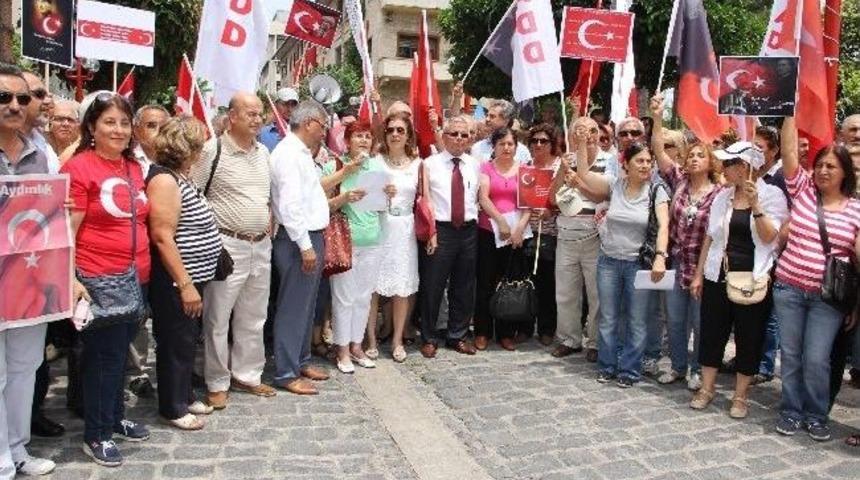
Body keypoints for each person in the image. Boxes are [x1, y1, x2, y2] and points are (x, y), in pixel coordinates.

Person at [62, 91, 152, 466]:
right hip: (99, 277)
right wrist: (70, 278)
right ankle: (96, 433)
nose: (118, 129)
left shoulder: (132, 167)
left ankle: (113, 418)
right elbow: (68, 229)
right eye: (109, 122)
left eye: (124, 122)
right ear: (92, 127)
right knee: (103, 359)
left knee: (120, 356)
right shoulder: (80, 167)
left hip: (136, 277)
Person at [773, 118, 860, 441]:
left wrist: (855, 304)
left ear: (844, 173)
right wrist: (789, 113)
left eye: (831, 167)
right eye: (820, 164)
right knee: (792, 355)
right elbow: (790, 153)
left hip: (828, 299)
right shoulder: (803, 191)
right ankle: (791, 411)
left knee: (817, 358)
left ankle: (816, 414)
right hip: (789, 288)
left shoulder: (856, 210)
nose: (823, 171)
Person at [688, 141, 788, 419]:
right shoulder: (722, 197)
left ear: (744, 168)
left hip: (752, 278)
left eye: (729, 164)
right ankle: (707, 388)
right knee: (711, 333)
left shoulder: (772, 196)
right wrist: (698, 274)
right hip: (717, 275)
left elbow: (771, 237)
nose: (724, 168)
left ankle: (741, 395)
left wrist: (756, 205)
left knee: (749, 336)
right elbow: (710, 237)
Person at [190, 92, 275, 408]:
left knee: (254, 316)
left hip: (260, 245)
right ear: (232, 116)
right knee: (218, 317)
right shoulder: (212, 151)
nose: (256, 119)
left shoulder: (263, 153)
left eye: (259, 114)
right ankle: (216, 380)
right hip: (226, 246)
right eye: (250, 113)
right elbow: (194, 194)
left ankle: (248, 374)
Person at [576, 133, 670, 387]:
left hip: (637, 265)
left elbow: (663, 227)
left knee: (637, 320)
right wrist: (583, 143)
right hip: (608, 261)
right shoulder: (614, 184)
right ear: (625, 164)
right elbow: (583, 174)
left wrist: (660, 257)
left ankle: (629, 370)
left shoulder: (657, 191)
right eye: (639, 160)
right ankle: (607, 366)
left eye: (648, 161)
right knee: (608, 317)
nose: (645, 165)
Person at [147, 116, 223, 430]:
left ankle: (184, 392)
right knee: (175, 341)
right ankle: (173, 406)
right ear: (186, 147)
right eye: (199, 143)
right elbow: (163, 235)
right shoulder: (165, 180)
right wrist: (185, 284)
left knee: (186, 339)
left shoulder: (179, 175)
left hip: (193, 275)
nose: (204, 149)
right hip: (177, 279)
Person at [0, 62, 57, 477]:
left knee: (24, 369)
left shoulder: (41, 154)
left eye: (22, 98)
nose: (15, 106)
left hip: (29, 281)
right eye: (4, 98)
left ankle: (18, 451)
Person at [650, 95, 722, 391]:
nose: (693, 159)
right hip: (678, 262)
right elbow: (658, 150)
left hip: (703, 267)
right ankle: (678, 367)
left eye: (699, 156)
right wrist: (657, 118)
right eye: (690, 155)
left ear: (709, 162)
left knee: (700, 323)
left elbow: (715, 233)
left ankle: (696, 369)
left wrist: (700, 272)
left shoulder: (719, 192)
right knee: (676, 320)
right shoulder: (678, 180)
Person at [270, 101, 332, 394]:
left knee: (306, 306)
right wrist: (306, 246)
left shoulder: (301, 153)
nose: (325, 132)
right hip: (298, 240)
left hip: (309, 236)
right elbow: (290, 205)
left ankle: (300, 359)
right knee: (293, 307)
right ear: (309, 123)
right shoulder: (289, 154)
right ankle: (285, 371)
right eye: (323, 125)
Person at [323, 120, 392, 373]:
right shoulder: (336, 166)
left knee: (363, 297)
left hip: (372, 239)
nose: (363, 140)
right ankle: (341, 350)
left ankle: (356, 345)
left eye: (367, 137)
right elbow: (321, 202)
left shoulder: (377, 167)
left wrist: (389, 194)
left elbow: (383, 205)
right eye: (358, 136)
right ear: (347, 140)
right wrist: (344, 197)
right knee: (344, 298)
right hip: (345, 240)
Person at [419, 115, 481, 358]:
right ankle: (429, 336)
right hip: (441, 229)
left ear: (469, 139)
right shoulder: (430, 164)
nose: (458, 138)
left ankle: (458, 335)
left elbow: (476, 197)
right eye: (453, 134)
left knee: (464, 285)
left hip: (467, 230)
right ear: (444, 136)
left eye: (464, 135)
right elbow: (426, 200)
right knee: (433, 285)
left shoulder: (474, 164)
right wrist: (432, 231)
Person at [551, 117, 611, 361]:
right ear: (573, 135)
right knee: (565, 292)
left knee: (596, 294)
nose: (586, 135)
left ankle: (595, 342)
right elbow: (554, 198)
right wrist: (562, 170)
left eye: (592, 131)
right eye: (580, 130)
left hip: (594, 236)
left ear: (598, 134)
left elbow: (603, 195)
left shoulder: (609, 161)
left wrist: (580, 184)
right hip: (566, 235)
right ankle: (569, 339)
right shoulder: (567, 160)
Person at [126, 104, 170, 400]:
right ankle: (136, 371)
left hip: (167, 246)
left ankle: (168, 365)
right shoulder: (128, 162)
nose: (158, 132)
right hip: (138, 246)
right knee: (137, 314)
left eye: (164, 126)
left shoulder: (174, 161)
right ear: (138, 130)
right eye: (152, 125)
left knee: (166, 311)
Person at [474, 128, 531, 351]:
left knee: (510, 283)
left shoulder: (525, 170)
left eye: (510, 144)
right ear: (494, 147)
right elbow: (484, 198)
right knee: (486, 283)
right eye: (502, 144)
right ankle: (482, 331)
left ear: (516, 146)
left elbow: (528, 203)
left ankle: (506, 333)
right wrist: (501, 222)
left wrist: (518, 229)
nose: (506, 148)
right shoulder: (486, 168)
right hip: (489, 231)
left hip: (516, 236)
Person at [375, 113, 423, 362]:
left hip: (405, 227)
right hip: (381, 225)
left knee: (402, 287)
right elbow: (365, 196)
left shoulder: (418, 164)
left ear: (408, 135)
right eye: (391, 129)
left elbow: (425, 201)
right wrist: (380, 193)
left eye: (400, 130)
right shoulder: (376, 161)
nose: (395, 134)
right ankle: (370, 338)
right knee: (374, 285)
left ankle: (397, 340)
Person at [523, 124, 560, 347]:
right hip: (528, 231)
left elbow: (564, 198)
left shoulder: (558, 167)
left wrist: (550, 211)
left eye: (543, 141)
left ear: (551, 143)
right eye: (535, 141)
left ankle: (547, 328)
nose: (538, 145)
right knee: (528, 282)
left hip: (551, 233)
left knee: (548, 284)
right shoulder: (525, 167)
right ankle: (525, 327)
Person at [259, 87, 298, 151]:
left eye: (293, 105)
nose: (290, 109)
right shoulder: (262, 133)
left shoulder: (302, 132)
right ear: (275, 105)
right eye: (285, 104)